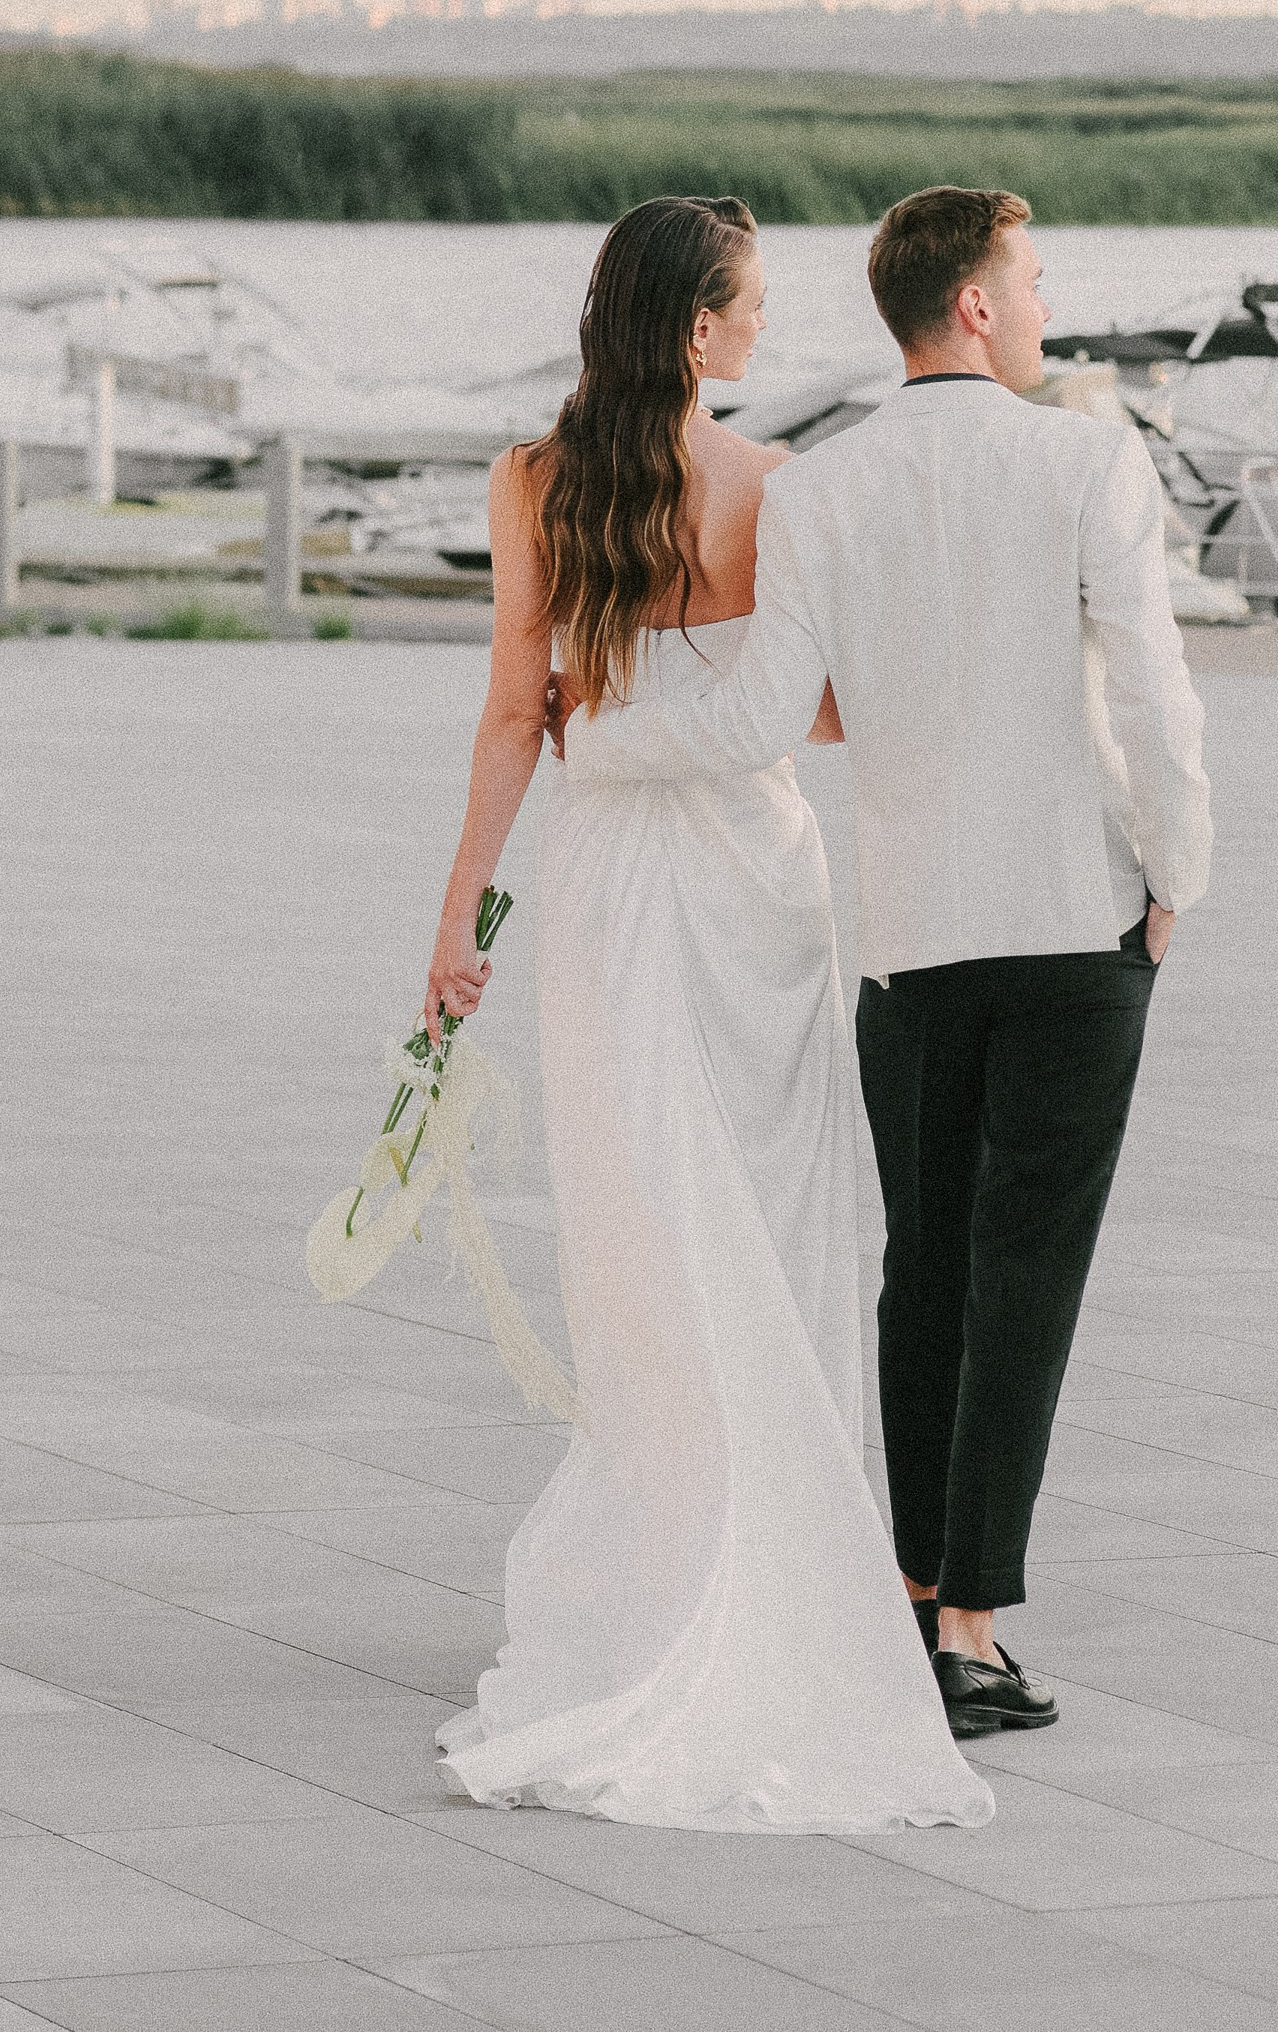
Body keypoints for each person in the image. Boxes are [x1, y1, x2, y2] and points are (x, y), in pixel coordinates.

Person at [564, 186, 1212, 1740]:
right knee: (1026, 1278)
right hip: (1073, 928)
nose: (1047, 302)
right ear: (975, 305)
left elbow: (755, 718)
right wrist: (1178, 879)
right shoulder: (1084, 459)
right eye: (1033, 279)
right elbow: (1155, 689)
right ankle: (969, 1628)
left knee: (920, 1277)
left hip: (911, 948)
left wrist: (595, 744)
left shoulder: (823, 493)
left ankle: (920, 1596)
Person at [425, 194, 991, 1833]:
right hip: (754, 884)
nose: (765, 328)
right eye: (749, 305)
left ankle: (674, 1540)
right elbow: (817, 706)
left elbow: (512, 707)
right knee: (781, 1203)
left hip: (608, 888)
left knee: (644, 1222)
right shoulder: (778, 490)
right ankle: (781, 1529)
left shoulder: (531, 481)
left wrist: (461, 909)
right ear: (698, 327)